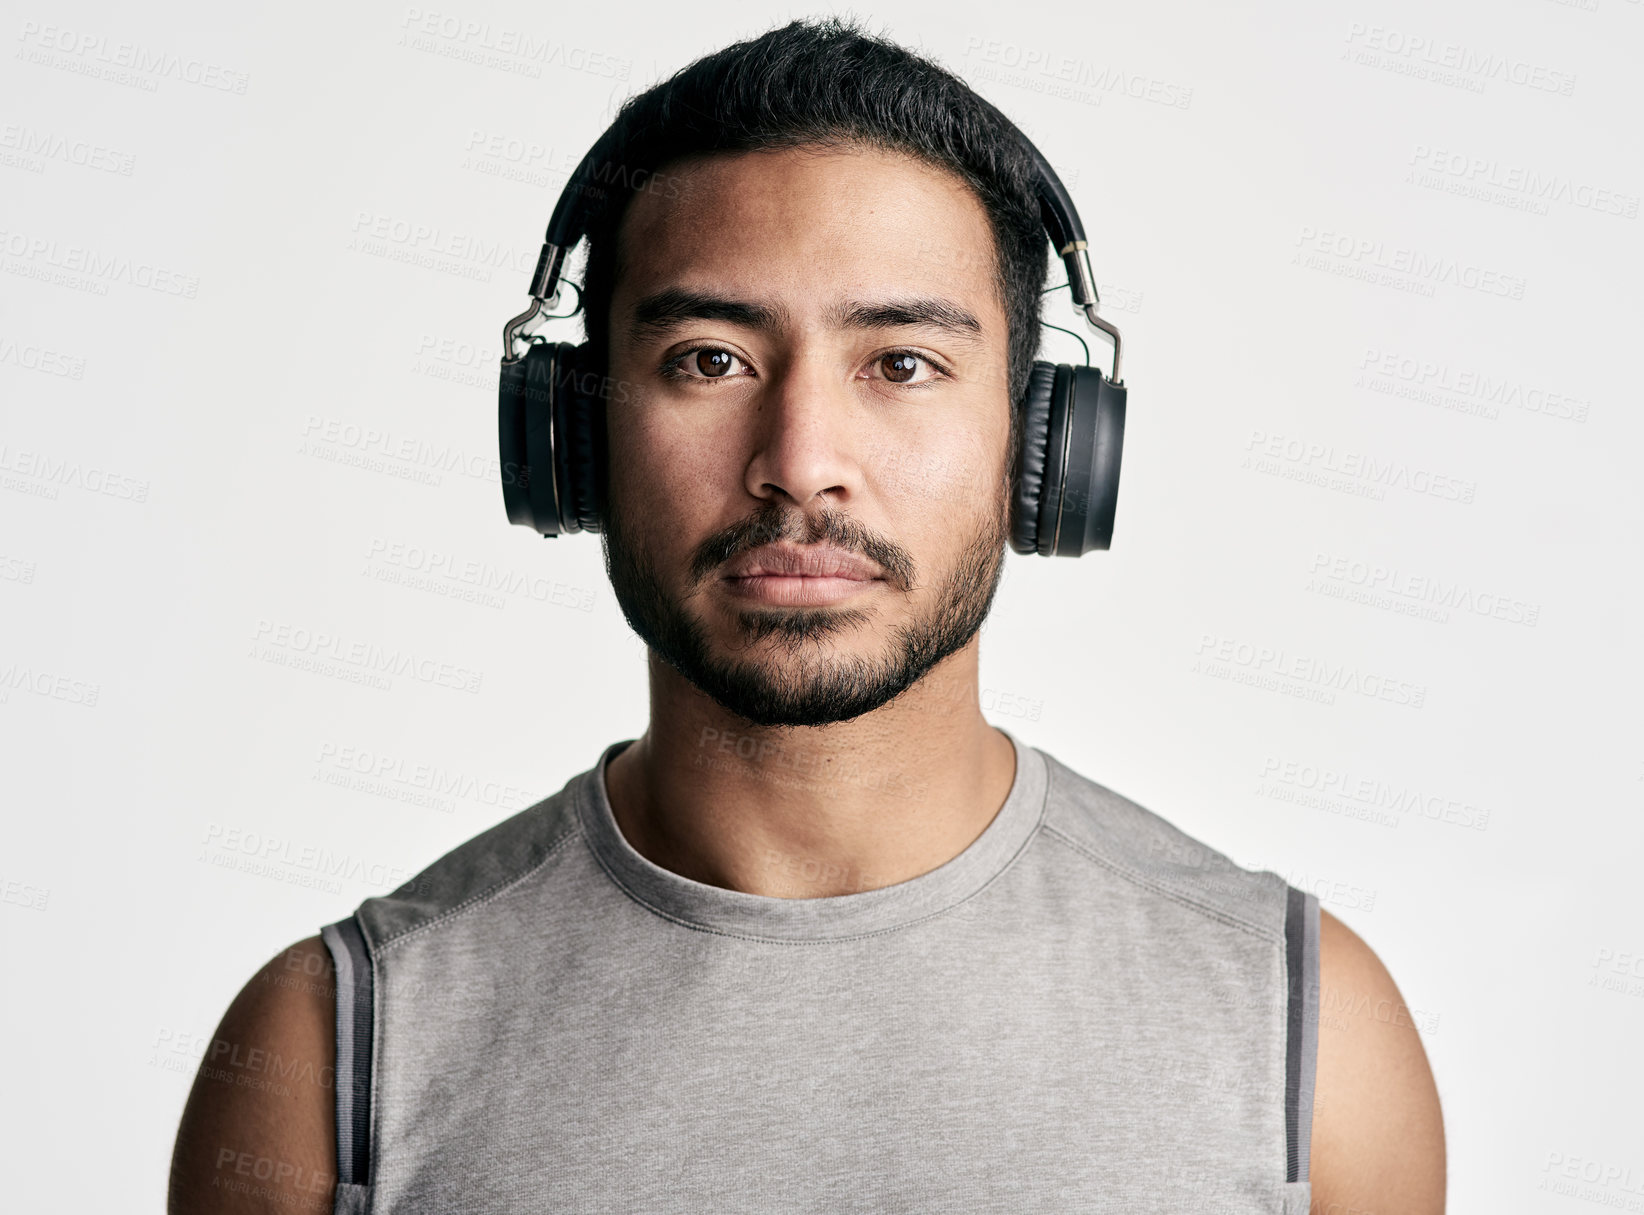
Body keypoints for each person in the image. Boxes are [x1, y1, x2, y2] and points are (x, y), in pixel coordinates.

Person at [168, 17, 1444, 1214]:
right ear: (570, 437)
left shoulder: (1309, 1036)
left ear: (1045, 447)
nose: (801, 459)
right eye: (709, 360)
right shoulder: (330, 1057)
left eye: (902, 364)